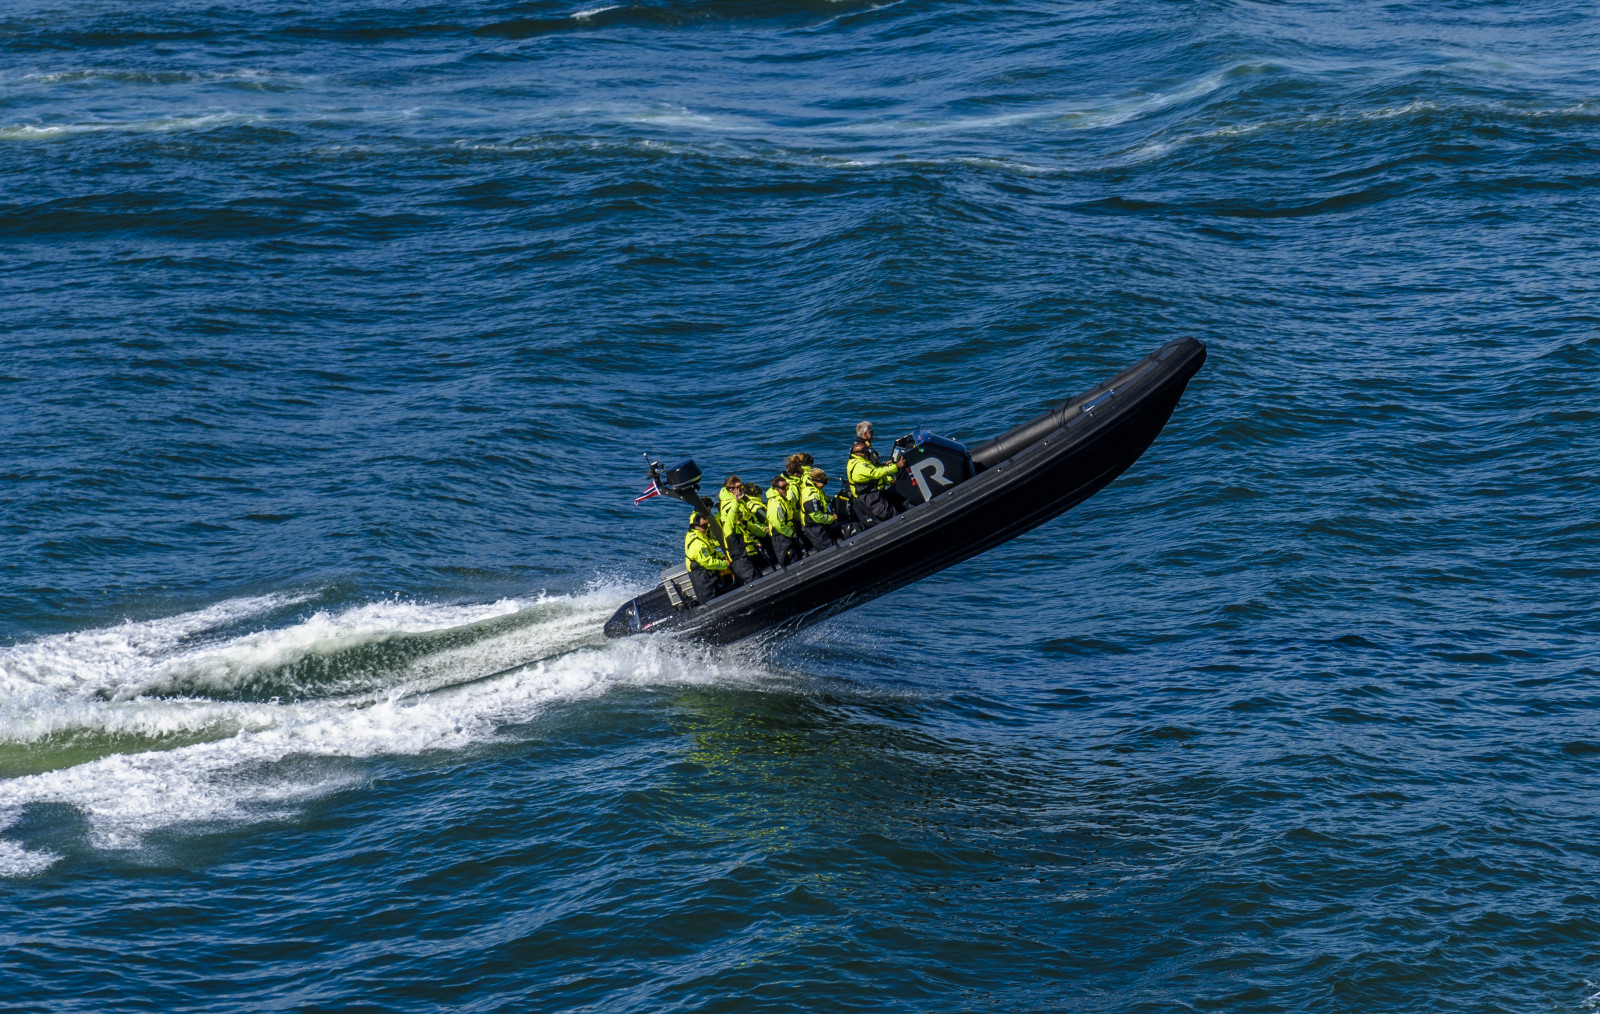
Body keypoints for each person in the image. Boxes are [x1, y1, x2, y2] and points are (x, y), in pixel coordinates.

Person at [845, 438, 903, 526]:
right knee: (888, 515)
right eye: (863, 452)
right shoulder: (859, 465)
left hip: (873, 494)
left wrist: (885, 466)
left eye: (866, 451)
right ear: (857, 453)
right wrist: (896, 467)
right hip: (870, 497)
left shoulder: (858, 461)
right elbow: (875, 473)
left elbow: (874, 470)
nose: (866, 454)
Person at [717, 481, 763, 585]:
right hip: (740, 562)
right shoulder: (729, 526)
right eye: (738, 515)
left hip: (746, 558)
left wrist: (755, 543)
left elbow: (749, 534)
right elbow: (731, 517)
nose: (740, 517)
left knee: (759, 579)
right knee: (755, 583)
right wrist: (736, 503)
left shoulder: (740, 527)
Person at [683, 512, 730, 604]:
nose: (707, 528)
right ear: (696, 526)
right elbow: (708, 562)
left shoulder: (701, 536)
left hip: (707, 573)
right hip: (702, 575)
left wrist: (722, 556)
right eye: (704, 526)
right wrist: (725, 564)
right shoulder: (697, 544)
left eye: (707, 525)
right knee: (710, 600)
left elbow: (711, 550)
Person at [765, 474, 800, 567]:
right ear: (777, 489)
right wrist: (790, 533)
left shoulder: (782, 499)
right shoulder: (775, 503)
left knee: (796, 557)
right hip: (781, 536)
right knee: (790, 561)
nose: (787, 489)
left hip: (787, 534)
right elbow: (777, 524)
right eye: (784, 487)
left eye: (787, 486)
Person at [798, 467, 836, 550]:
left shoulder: (814, 489)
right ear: (816, 482)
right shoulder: (812, 495)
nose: (824, 486)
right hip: (814, 526)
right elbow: (816, 516)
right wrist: (831, 518)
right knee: (826, 547)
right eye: (823, 483)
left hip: (819, 523)